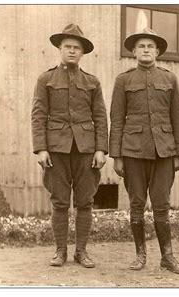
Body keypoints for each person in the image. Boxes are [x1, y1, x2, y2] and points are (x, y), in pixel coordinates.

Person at [109, 28, 179, 274]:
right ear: (133, 51)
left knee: (162, 204)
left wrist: (178, 154)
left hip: (164, 152)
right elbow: (117, 119)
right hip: (133, 152)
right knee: (136, 204)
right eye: (141, 46)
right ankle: (140, 254)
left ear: (157, 52)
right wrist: (117, 156)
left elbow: (178, 119)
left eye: (150, 46)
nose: (145, 49)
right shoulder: (124, 80)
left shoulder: (169, 79)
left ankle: (168, 257)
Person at [31, 24, 108, 268]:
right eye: (67, 47)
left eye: (76, 48)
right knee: (60, 201)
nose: (72, 51)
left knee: (85, 201)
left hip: (86, 150)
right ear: (60, 49)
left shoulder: (92, 82)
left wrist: (100, 149)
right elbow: (38, 114)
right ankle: (60, 251)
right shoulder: (46, 79)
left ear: (83, 52)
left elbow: (100, 116)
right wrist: (41, 148)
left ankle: (81, 252)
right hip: (56, 150)